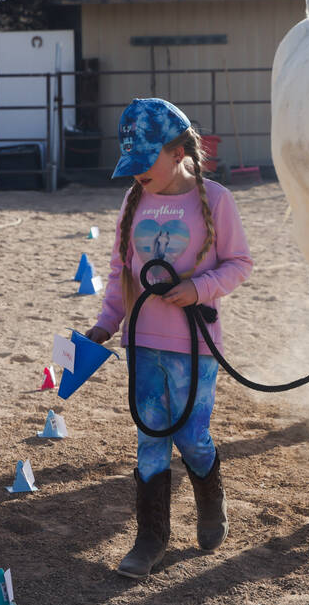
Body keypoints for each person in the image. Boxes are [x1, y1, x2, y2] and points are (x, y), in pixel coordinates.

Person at [84, 97, 253, 579]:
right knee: (150, 438)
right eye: (131, 164)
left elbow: (240, 263)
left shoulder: (216, 199)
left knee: (192, 437)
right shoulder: (133, 199)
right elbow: (121, 269)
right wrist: (106, 323)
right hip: (142, 344)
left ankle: (210, 497)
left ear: (178, 152)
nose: (137, 173)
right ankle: (151, 537)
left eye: (145, 162)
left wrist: (197, 288)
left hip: (195, 347)